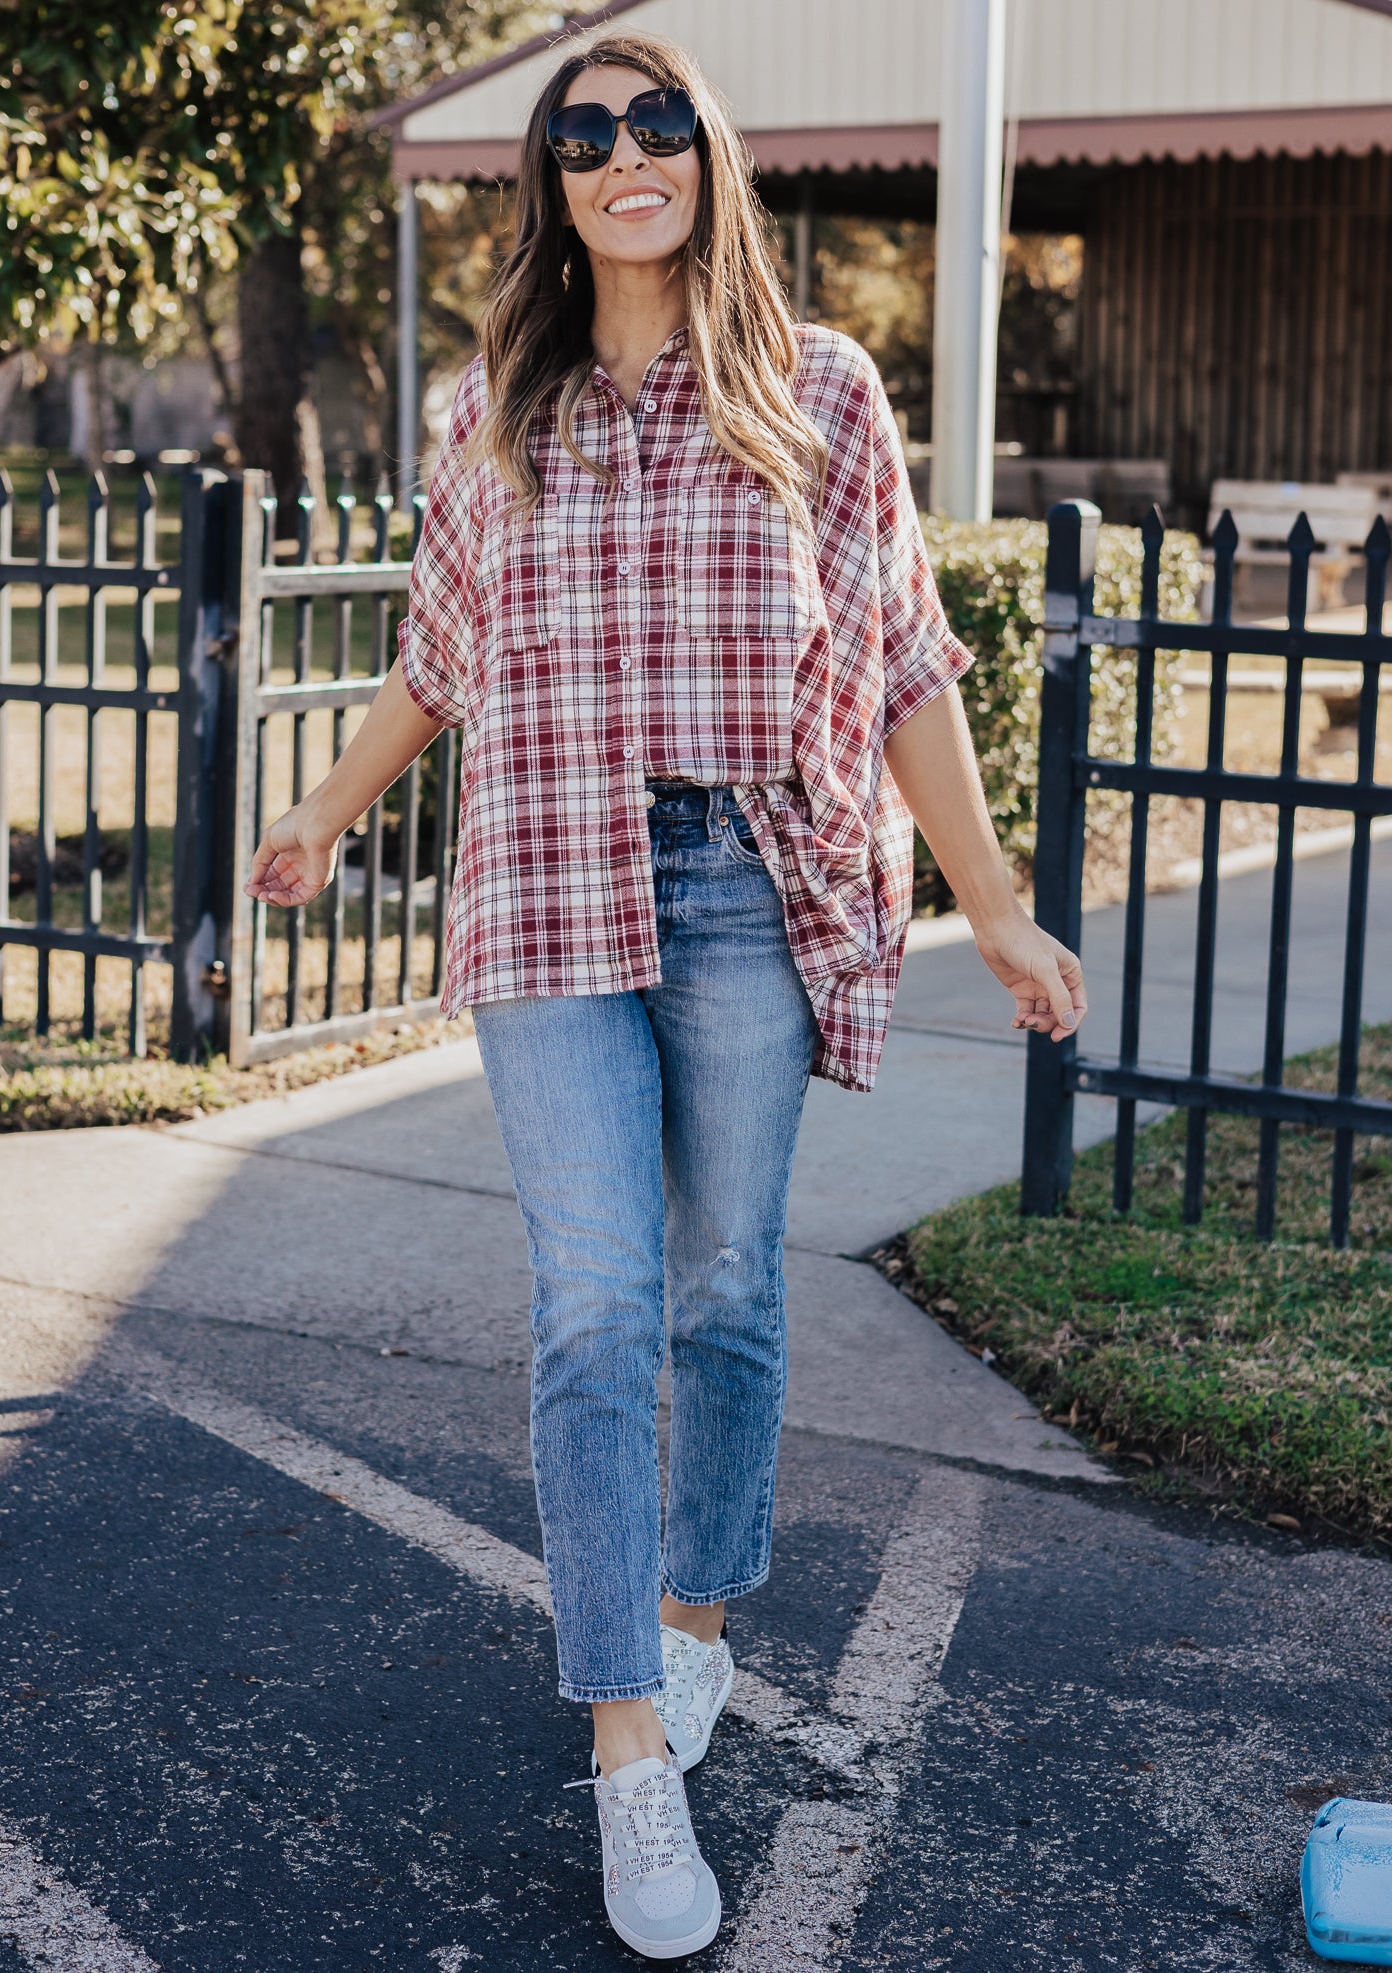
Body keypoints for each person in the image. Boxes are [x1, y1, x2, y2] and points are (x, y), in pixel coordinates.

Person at [245, 28, 1087, 1961]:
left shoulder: (818, 390)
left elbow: (902, 663)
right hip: (546, 886)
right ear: (549, 182)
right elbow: (437, 655)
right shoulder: (492, 407)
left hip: (749, 892)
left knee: (720, 1285)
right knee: (597, 1297)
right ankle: (630, 1745)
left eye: (655, 124)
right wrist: (319, 808)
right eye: (582, 132)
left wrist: (1001, 905)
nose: (622, 154)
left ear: (708, 158)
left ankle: (694, 1619)